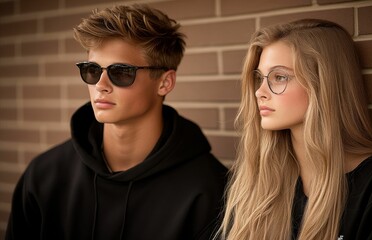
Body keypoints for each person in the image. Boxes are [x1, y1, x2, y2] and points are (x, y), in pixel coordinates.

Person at [6, 3, 228, 240]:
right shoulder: (44, 176)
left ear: (165, 83)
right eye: (91, 70)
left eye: (121, 72)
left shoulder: (210, 190)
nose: (100, 85)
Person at [217, 19, 372, 240]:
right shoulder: (263, 176)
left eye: (279, 77)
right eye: (260, 78)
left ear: (323, 83)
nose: (259, 92)